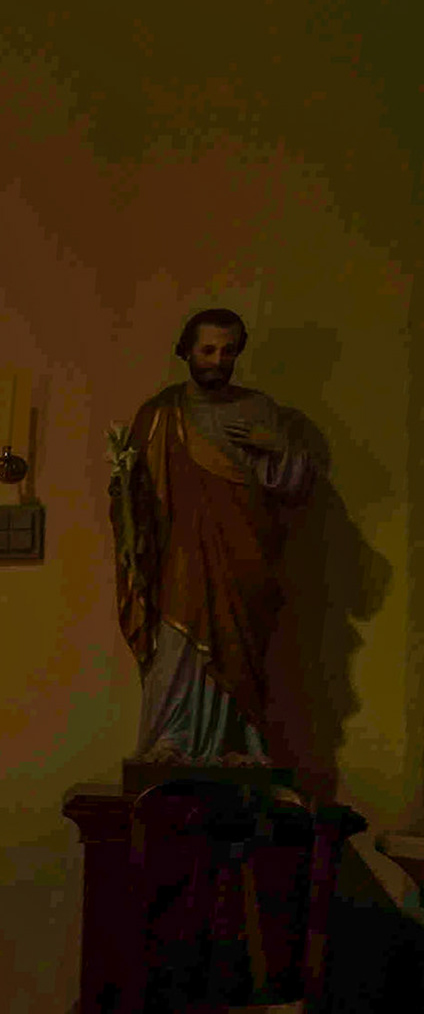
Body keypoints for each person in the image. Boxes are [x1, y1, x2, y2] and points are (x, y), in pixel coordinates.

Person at [112, 308, 323, 765]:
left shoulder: (259, 409)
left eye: (227, 351)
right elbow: (133, 496)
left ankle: (237, 743)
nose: (217, 360)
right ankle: (170, 739)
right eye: (207, 350)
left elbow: (294, 486)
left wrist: (277, 447)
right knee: (175, 648)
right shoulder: (160, 414)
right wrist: (126, 503)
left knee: (238, 649)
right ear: (187, 351)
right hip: (180, 554)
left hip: (244, 553)